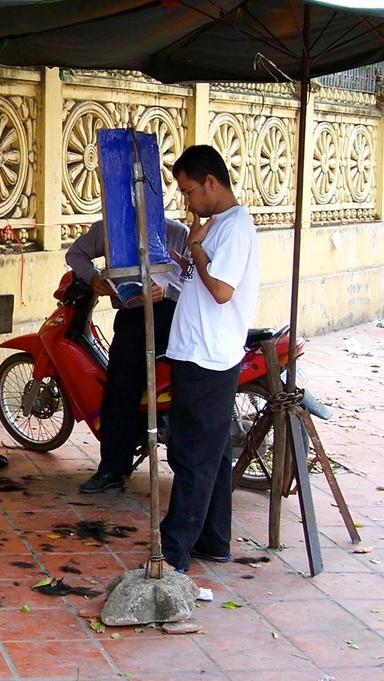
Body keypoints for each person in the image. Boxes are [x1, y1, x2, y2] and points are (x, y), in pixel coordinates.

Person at [159, 144, 259, 573]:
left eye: (188, 191)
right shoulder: (219, 226)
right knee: (212, 456)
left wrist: (197, 249)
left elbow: (221, 290)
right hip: (199, 352)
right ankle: (213, 540)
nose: (187, 202)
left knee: (193, 457)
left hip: (208, 357)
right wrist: (190, 255)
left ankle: (172, 552)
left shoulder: (233, 227)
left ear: (211, 182)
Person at [67, 217, 189, 493]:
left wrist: (166, 289)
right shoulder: (110, 228)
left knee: (186, 386)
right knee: (120, 389)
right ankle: (113, 468)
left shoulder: (177, 232)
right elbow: (75, 254)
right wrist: (93, 276)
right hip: (132, 317)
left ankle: (186, 468)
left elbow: (193, 280)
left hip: (172, 316)